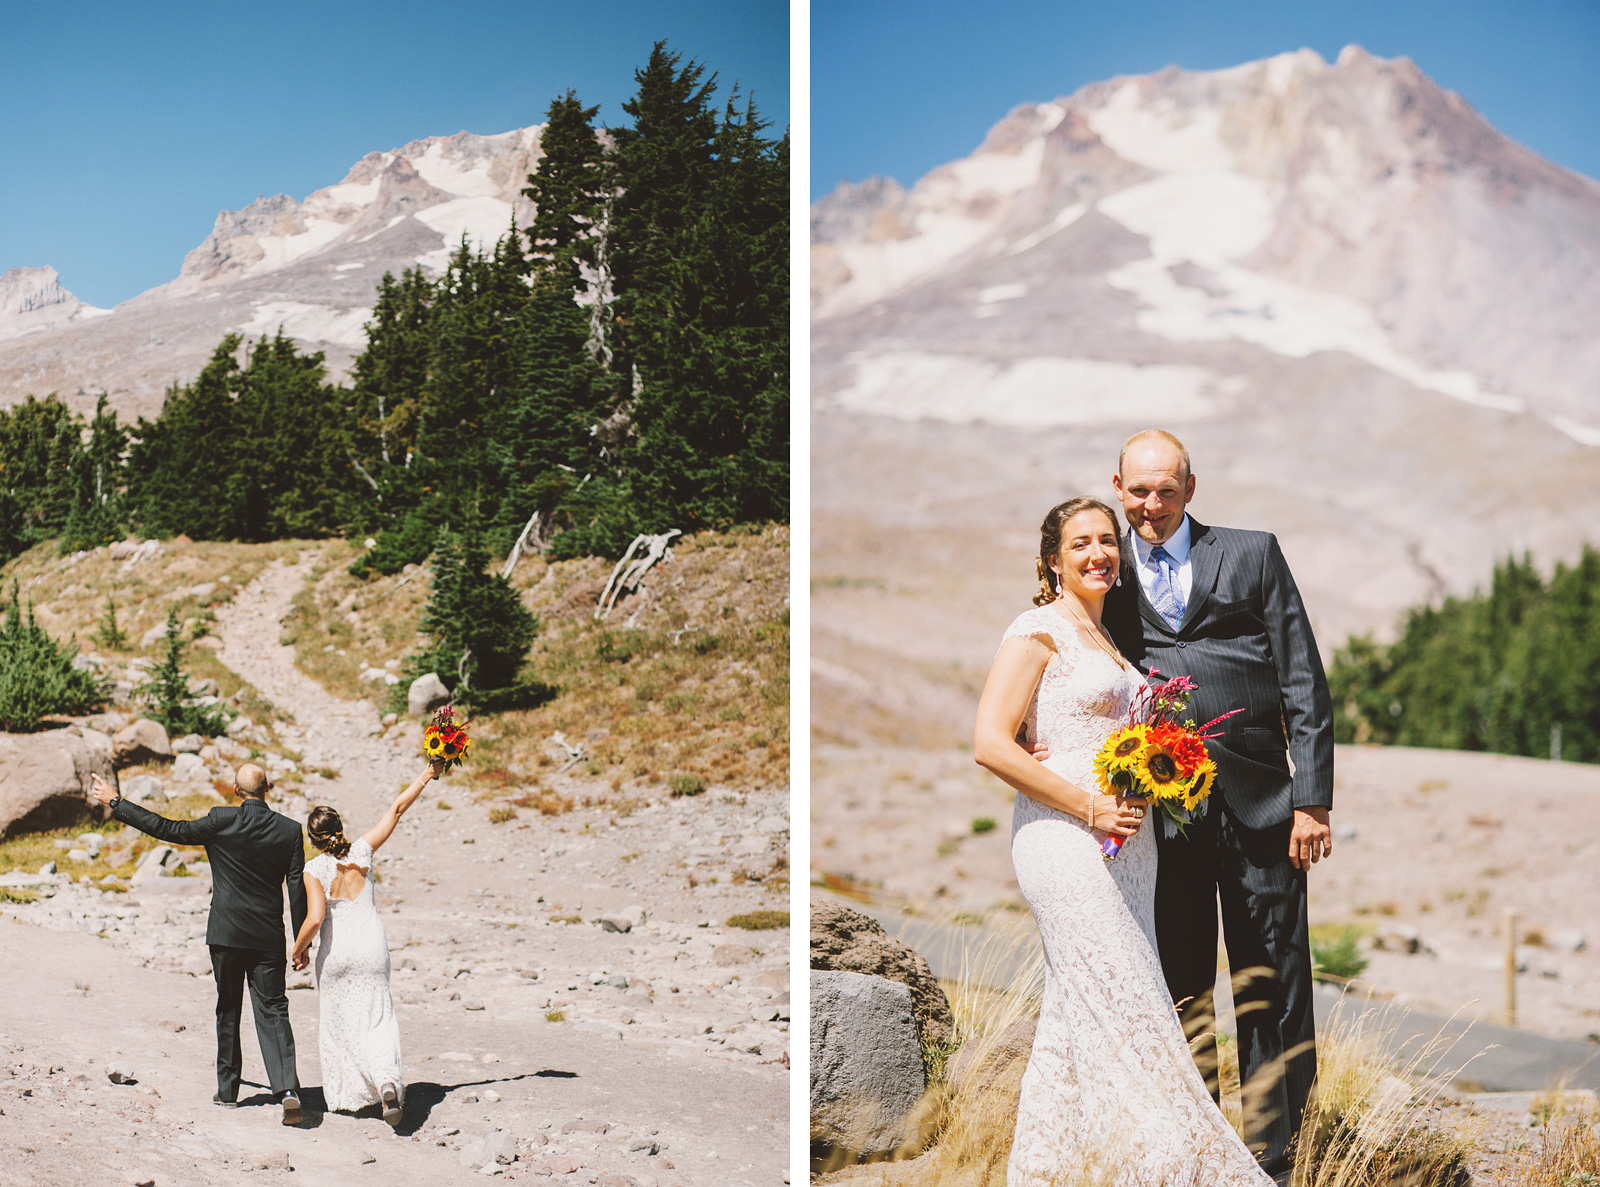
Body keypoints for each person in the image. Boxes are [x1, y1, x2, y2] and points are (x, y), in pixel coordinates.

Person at [975, 496, 1273, 1186]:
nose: (1097, 553)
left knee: (1072, 1017)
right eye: (1080, 543)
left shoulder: (1114, 637)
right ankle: (1173, 1167)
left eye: (1107, 541)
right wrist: (1089, 804)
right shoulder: (1037, 630)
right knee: (1131, 1008)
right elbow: (990, 742)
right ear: (1052, 559)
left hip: (1132, 852)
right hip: (1066, 839)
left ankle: (1045, 1172)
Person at [1103, 429, 1334, 1183]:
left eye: (1166, 489)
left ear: (1190, 489)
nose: (1151, 504)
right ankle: (1202, 1147)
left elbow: (1303, 678)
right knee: (1182, 981)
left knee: (1271, 977)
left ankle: (1278, 1155)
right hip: (1166, 821)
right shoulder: (1102, 576)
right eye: (1138, 490)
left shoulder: (1253, 552)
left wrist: (1313, 800)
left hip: (1266, 806)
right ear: (1117, 485)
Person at [91, 763, 307, 1125]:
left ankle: (227, 1091)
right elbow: (297, 887)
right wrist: (302, 942)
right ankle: (287, 1090)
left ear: (236, 792)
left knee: (228, 1008)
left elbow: (167, 828)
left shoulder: (220, 820)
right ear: (268, 787)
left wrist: (116, 801)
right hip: (268, 936)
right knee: (274, 1009)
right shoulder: (289, 830)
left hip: (225, 933)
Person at [290, 759, 444, 1127]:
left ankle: (348, 1097)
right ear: (340, 829)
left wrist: (297, 950)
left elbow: (313, 920)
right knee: (376, 1018)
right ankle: (387, 1082)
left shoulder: (314, 870)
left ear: (313, 839)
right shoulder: (363, 851)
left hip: (338, 955)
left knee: (340, 1023)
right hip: (373, 949)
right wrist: (426, 774)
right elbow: (397, 808)